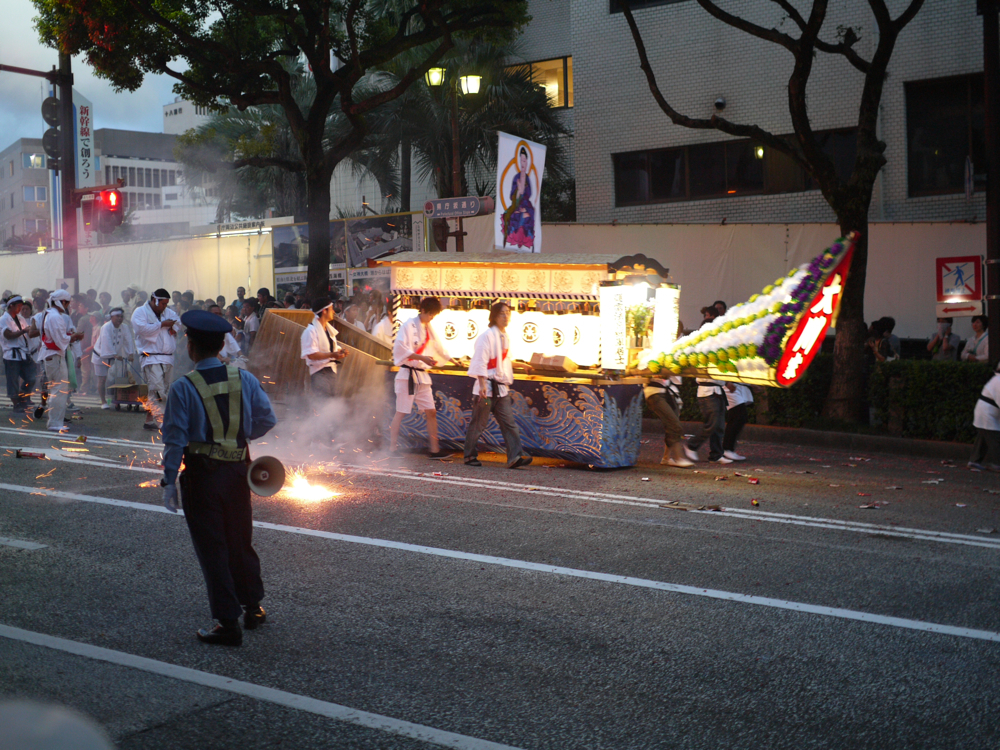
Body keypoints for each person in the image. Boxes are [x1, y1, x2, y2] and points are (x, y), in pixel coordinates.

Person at [160, 309, 277, 646]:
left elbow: (175, 439)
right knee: (240, 540)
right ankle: (253, 607)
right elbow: (267, 419)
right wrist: (240, 436)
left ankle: (228, 623)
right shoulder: (246, 378)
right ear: (222, 345)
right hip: (240, 473)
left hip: (203, 476)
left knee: (213, 547)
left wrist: (169, 480)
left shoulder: (183, 388)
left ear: (191, 346)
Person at [463, 302, 532, 469]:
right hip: (486, 387)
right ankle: (469, 455)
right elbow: (480, 361)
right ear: (494, 316)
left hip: (500, 389)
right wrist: (481, 385)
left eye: (508, 313)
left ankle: (515, 456)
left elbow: (504, 361)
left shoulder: (504, 337)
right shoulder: (486, 336)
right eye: (502, 313)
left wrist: (522, 366)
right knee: (478, 424)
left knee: (509, 423)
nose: (506, 316)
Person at [390, 296, 455, 458]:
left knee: (431, 411)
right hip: (407, 375)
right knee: (401, 412)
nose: (432, 317)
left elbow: (439, 347)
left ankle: (434, 450)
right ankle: (391, 448)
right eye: (431, 314)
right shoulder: (408, 325)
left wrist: (452, 359)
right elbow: (400, 348)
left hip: (421, 376)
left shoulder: (428, 327)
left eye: (434, 315)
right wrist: (423, 358)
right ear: (423, 310)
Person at [132, 288, 181, 430]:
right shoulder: (140, 312)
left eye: (167, 304)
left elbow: (177, 323)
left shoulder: (168, 312)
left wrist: (171, 327)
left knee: (162, 389)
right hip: (151, 357)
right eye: (163, 304)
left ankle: (149, 420)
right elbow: (141, 330)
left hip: (168, 358)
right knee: (157, 388)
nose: (165, 307)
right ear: (155, 300)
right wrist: (162, 325)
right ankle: (162, 422)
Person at [37, 290, 83, 433]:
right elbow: (61, 340)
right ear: (63, 302)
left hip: (54, 355)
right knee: (59, 390)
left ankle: (56, 421)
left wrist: (70, 336)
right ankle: (54, 422)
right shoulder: (55, 316)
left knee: (58, 390)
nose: (68, 306)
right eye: (67, 303)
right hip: (55, 356)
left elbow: (59, 337)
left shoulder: (50, 314)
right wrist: (74, 337)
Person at [300, 297, 348, 398]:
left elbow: (330, 348)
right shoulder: (310, 331)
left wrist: (340, 351)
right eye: (331, 309)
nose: (334, 312)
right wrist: (332, 355)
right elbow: (312, 355)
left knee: (333, 403)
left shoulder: (328, 329)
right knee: (324, 404)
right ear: (324, 311)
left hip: (331, 371)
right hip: (319, 373)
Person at [644, 372, 692, 468]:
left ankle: (666, 458)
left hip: (670, 392)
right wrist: (653, 374)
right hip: (655, 392)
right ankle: (679, 458)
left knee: (671, 425)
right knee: (674, 425)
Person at [93, 307, 135, 409]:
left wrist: (131, 353)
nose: (120, 318)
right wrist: (114, 354)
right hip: (100, 356)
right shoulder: (106, 327)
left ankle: (114, 399)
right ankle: (103, 402)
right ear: (111, 317)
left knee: (115, 378)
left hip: (114, 356)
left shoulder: (124, 327)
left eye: (121, 316)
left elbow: (128, 340)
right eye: (117, 316)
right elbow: (106, 341)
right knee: (102, 379)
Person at [1, 295, 36, 411]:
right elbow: (8, 335)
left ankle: (22, 395)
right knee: (13, 380)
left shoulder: (21, 319)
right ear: (11, 306)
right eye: (19, 306)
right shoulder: (3, 319)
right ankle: (16, 404)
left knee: (31, 377)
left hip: (24, 353)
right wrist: (23, 331)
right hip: (11, 355)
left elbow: (28, 333)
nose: (20, 308)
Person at [502, 145, 536, 250]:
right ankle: (513, 240)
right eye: (521, 161)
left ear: (527, 162)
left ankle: (525, 242)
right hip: (516, 204)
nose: (522, 164)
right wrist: (518, 192)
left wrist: (523, 192)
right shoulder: (516, 177)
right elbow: (512, 195)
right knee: (509, 216)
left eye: (524, 161)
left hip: (526, 205)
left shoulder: (527, 178)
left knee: (525, 216)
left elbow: (529, 194)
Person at [970, 364, 1000, 471]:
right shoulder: (998, 381)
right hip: (987, 413)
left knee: (983, 437)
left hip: (986, 412)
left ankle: (974, 461)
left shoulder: (996, 379)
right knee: (995, 439)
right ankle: (997, 463)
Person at [722, 383, 752, 461]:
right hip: (730, 385)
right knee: (738, 416)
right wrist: (727, 382)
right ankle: (727, 448)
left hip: (735, 385)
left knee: (738, 417)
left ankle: (727, 448)